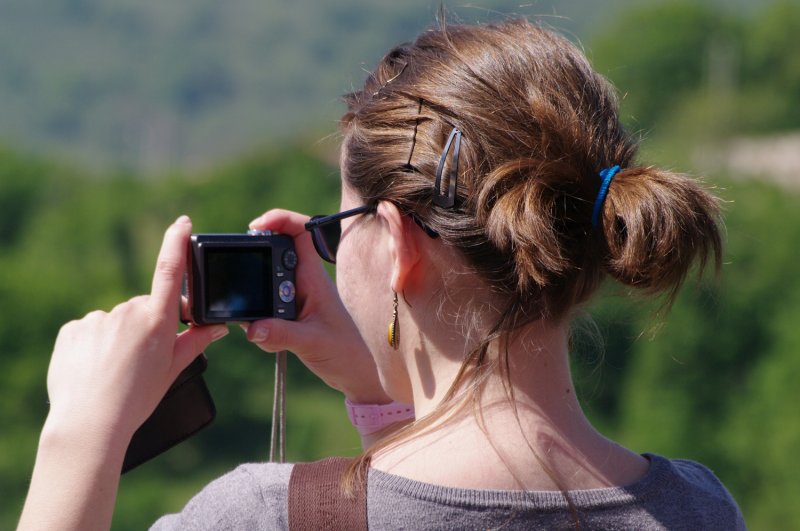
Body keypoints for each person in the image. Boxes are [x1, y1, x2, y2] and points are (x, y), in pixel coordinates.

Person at [18, 18, 745, 530]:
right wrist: (376, 387)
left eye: (338, 231)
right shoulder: (699, 508)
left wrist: (79, 435)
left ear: (397, 242)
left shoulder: (261, 517)